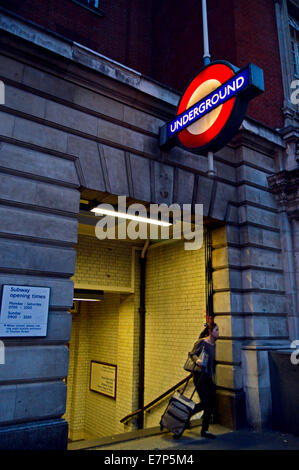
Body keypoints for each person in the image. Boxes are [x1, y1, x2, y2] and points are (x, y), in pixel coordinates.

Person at [189, 319, 219, 439]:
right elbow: (192, 354)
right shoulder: (203, 342)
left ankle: (204, 429)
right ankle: (202, 428)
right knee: (206, 404)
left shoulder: (214, 344)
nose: (219, 332)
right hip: (199, 377)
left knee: (210, 403)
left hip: (208, 377)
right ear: (211, 332)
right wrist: (197, 360)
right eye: (217, 330)